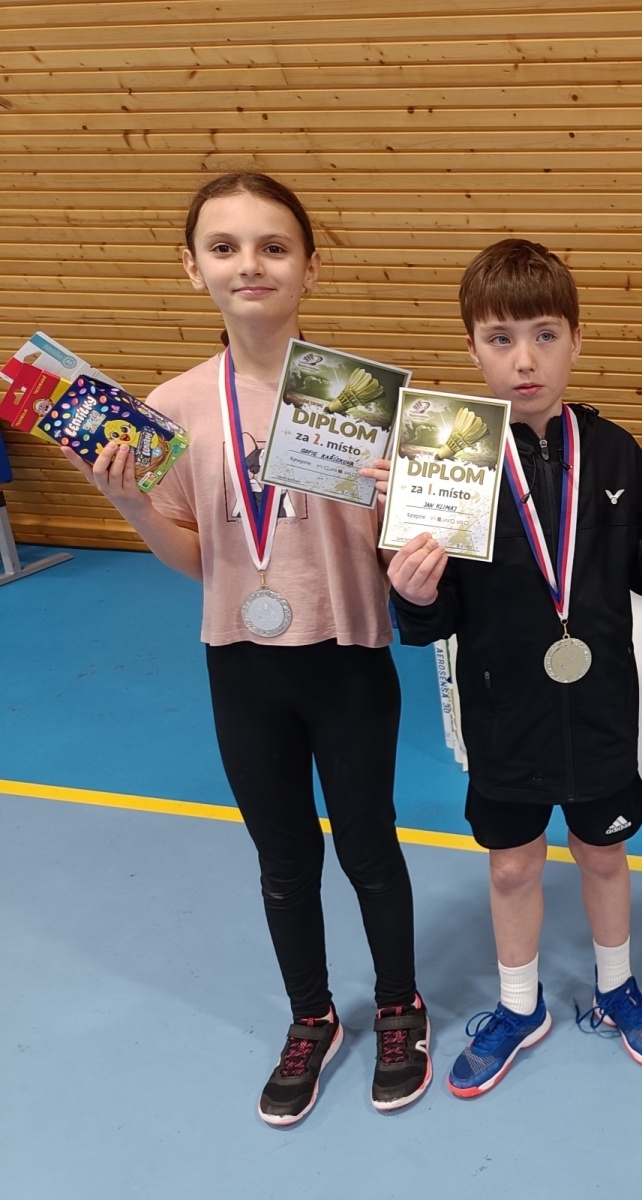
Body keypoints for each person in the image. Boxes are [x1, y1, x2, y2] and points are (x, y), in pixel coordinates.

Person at [71, 171, 428, 1126]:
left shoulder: (364, 398)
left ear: (312, 265)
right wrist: (129, 504)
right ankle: (313, 1016)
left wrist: (405, 511)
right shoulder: (174, 407)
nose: (250, 264)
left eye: (273, 245)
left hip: (349, 655)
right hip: (242, 659)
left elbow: (407, 547)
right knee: (282, 856)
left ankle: (401, 1005)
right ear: (193, 269)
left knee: (369, 844)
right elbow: (199, 558)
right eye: (223, 247)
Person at [387, 238, 642, 1095]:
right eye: (500, 338)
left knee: (603, 855)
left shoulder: (614, 451)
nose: (524, 359)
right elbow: (435, 616)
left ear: (576, 340)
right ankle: (519, 1005)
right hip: (504, 708)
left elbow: (641, 573)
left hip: (599, 705)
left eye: (544, 335)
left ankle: (616, 988)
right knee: (512, 864)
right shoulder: (448, 462)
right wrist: (414, 593)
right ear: (471, 348)